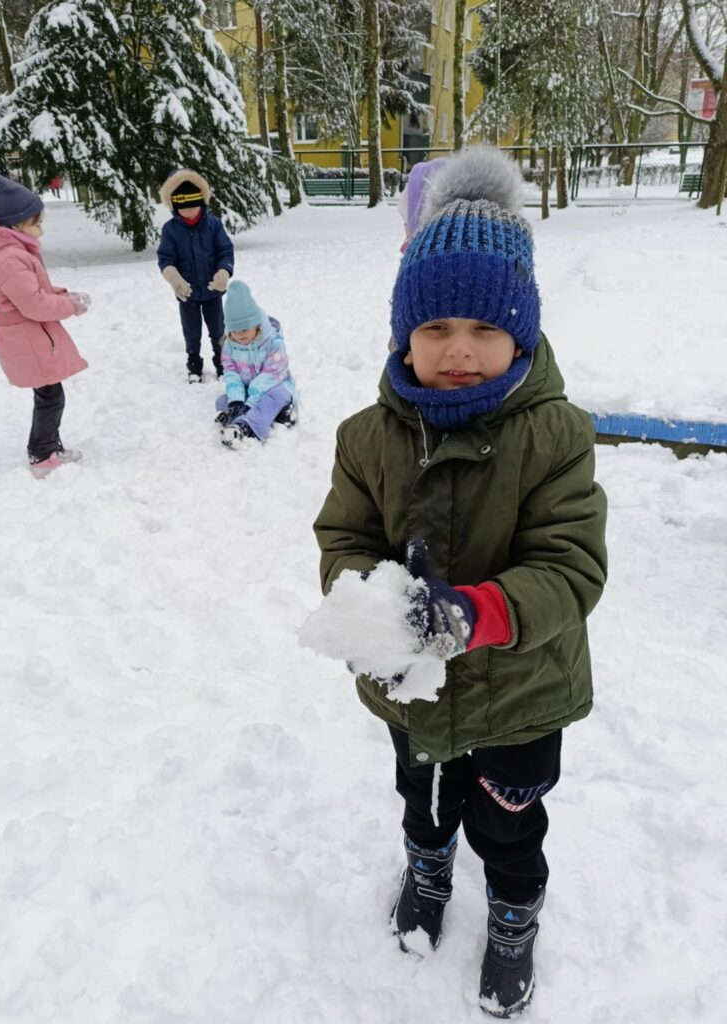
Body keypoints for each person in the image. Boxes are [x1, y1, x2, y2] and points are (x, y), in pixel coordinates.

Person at [313, 147, 607, 1019]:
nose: (460, 351)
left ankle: (514, 914)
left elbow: (570, 565)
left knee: (511, 820)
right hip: (412, 685)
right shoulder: (367, 436)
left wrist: (477, 613)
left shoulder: (556, 435)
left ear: (521, 330)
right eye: (435, 328)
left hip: (522, 688)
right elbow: (344, 536)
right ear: (404, 330)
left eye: (483, 328)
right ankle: (428, 865)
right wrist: (368, 597)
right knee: (421, 790)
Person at [0, 158, 90, 479]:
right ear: (18, 225)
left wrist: (63, 295)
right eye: (37, 223)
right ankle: (42, 453)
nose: (42, 230)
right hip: (27, 337)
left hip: (31, 336)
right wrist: (69, 307)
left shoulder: (14, 253)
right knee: (50, 397)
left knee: (49, 394)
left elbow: (36, 292)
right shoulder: (9, 259)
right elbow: (32, 303)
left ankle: (49, 445)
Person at [157, 169, 234, 383]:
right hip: (187, 293)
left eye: (194, 206)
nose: (189, 212)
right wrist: (174, 279)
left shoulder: (213, 225)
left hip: (212, 290)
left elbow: (225, 251)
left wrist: (224, 272)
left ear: (202, 202)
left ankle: (222, 362)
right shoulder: (170, 230)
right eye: (184, 208)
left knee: (218, 329)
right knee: (191, 331)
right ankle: (194, 363)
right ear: (174, 206)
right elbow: (165, 259)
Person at [215, 281, 296, 448]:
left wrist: (249, 404)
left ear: (256, 324)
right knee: (222, 402)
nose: (240, 335)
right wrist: (236, 402)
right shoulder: (230, 345)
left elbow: (272, 375)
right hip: (247, 389)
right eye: (235, 331)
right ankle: (279, 413)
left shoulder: (272, 343)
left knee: (272, 399)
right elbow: (231, 374)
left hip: (276, 386)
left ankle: (248, 426)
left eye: (245, 329)